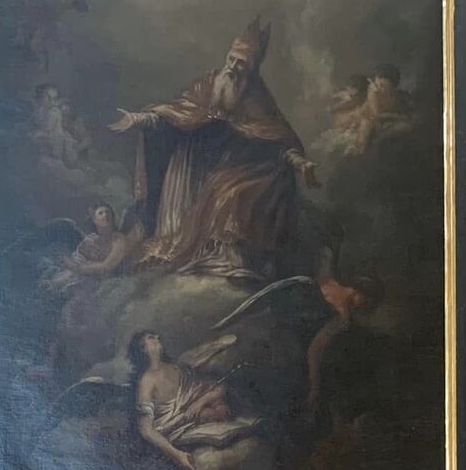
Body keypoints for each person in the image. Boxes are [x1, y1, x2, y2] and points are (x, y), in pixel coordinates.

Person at [109, 19, 318, 279]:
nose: (232, 67)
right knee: (197, 179)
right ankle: (182, 245)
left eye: (241, 64)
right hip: (195, 163)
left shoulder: (256, 97)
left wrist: (299, 163)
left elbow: (277, 138)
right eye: (231, 59)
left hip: (236, 167)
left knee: (234, 193)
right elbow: (176, 113)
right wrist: (137, 119)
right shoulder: (207, 84)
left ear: (252, 68)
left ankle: (228, 255)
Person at [129, 330, 258, 470]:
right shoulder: (146, 381)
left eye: (156, 336)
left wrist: (202, 400)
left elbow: (212, 388)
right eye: (151, 338)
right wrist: (177, 455)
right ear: (143, 349)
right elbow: (146, 430)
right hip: (174, 429)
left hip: (195, 418)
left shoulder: (177, 368)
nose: (157, 338)